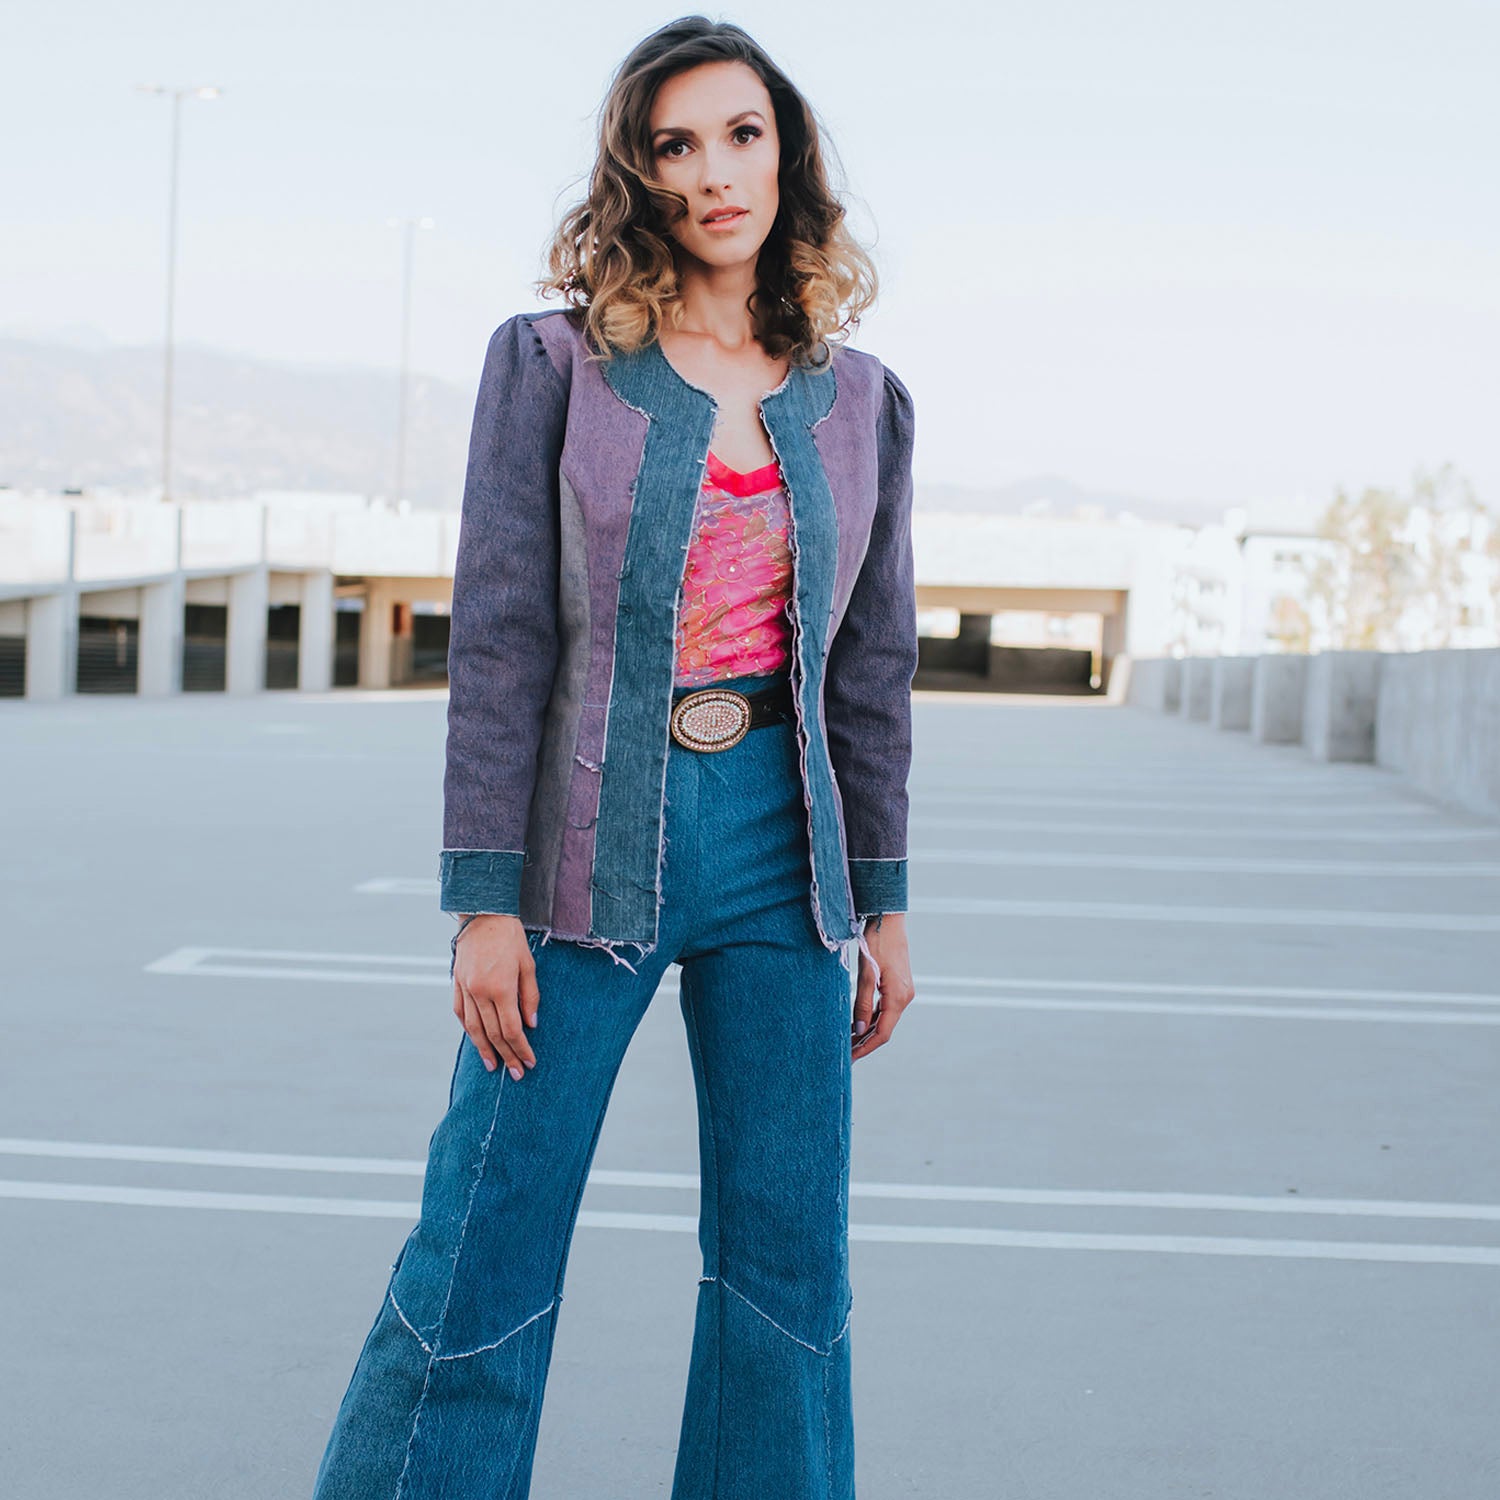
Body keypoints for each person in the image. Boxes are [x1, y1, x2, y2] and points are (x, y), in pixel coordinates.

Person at [311, 16, 918, 1499]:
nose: (716, 173)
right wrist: (481, 898)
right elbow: (505, 636)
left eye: (742, 134)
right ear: (638, 174)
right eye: (677, 144)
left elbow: (872, 670)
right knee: (488, 1230)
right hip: (589, 840)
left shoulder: (862, 403)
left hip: (785, 845)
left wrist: (886, 898)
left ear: (789, 152)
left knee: (789, 1262)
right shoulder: (553, 366)